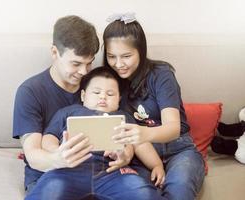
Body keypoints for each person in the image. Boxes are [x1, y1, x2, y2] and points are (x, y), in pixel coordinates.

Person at [102, 13, 205, 200]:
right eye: (111, 56)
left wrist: (143, 133)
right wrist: (125, 152)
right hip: (141, 156)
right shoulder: (109, 84)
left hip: (179, 149)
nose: (118, 64)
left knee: (179, 190)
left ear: (140, 51)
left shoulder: (161, 75)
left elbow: (173, 128)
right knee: (140, 193)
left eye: (126, 56)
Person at [25, 66, 165, 200]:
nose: (103, 97)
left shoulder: (124, 117)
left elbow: (140, 143)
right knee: (49, 191)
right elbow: (50, 136)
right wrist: (57, 152)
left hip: (112, 171)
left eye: (110, 94)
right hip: (68, 169)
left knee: (144, 194)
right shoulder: (69, 112)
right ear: (83, 95)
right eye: (96, 92)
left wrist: (156, 165)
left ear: (119, 99)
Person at [13, 15, 101, 195]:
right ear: (54, 52)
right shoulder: (30, 92)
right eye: (76, 63)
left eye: (89, 63)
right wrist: (59, 159)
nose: (83, 72)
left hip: (96, 172)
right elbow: (34, 155)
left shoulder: (97, 86)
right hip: (50, 173)